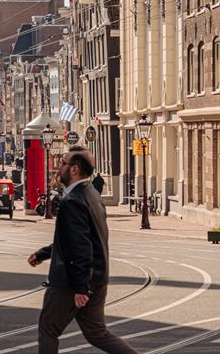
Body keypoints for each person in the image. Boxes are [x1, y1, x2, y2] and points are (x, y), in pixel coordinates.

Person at [28, 147, 137, 354]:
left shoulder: (72, 202)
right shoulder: (92, 194)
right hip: (97, 277)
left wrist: (81, 287)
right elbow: (79, 239)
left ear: (74, 169)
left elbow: (81, 246)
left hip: (71, 282)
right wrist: (43, 253)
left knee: (48, 330)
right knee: (97, 333)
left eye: (63, 163)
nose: (59, 167)